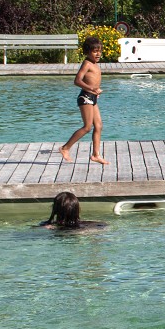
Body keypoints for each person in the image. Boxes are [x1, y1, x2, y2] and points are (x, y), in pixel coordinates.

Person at [60, 36, 109, 165]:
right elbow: (77, 80)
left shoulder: (95, 64)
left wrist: (95, 91)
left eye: (99, 51)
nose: (98, 54)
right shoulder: (87, 63)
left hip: (92, 98)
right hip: (85, 97)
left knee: (98, 126)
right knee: (87, 127)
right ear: (87, 52)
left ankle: (95, 155)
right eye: (94, 51)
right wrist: (92, 88)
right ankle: (65, 148)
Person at [39, 191, 106, 230]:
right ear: (77, 209)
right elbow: (104, 225)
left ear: (54, 209)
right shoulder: (87, 226)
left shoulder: (45, 226)